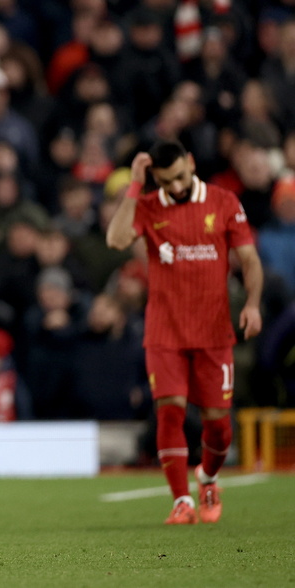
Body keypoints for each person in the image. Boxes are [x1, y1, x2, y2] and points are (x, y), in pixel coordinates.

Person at [106, 139, 263, 525]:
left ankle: (207, 477)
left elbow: (249, 260)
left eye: (179, 177)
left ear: (191, 163)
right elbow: (116, 239)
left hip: (213, 332)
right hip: (165, 331)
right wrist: (135, 185)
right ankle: (181, 501)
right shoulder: (148, 206)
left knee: (219, 427)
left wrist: (253, 304)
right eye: (165, 182)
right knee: (170, 412)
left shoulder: (224, 202)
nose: (174, 187)